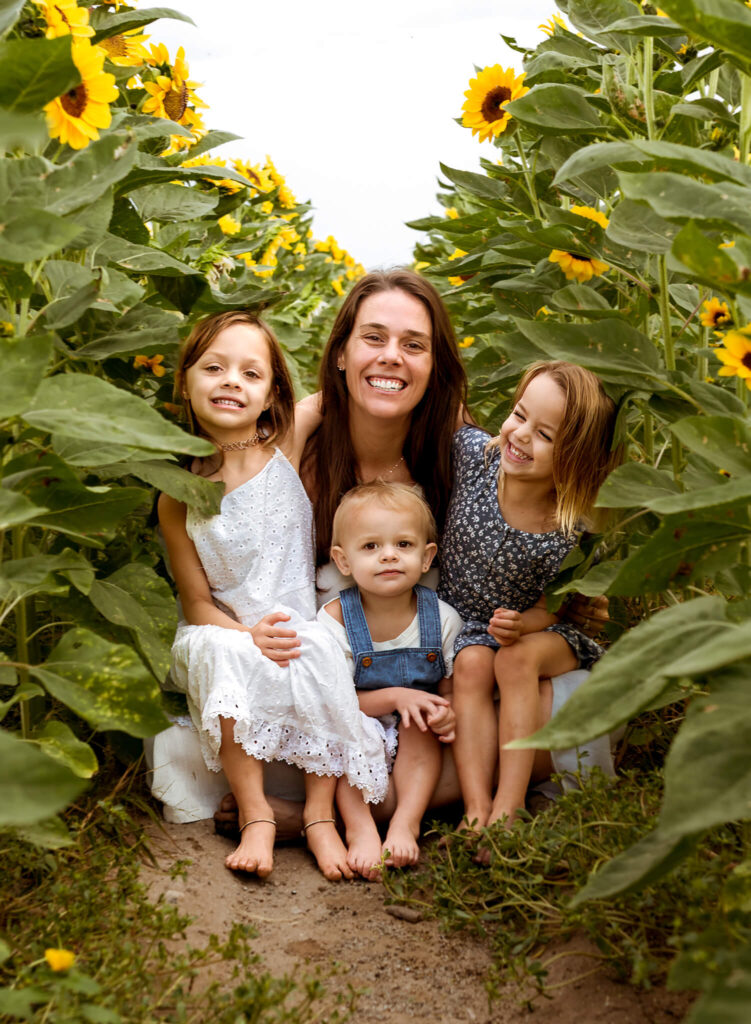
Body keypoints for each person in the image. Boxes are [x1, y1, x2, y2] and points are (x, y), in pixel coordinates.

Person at [157, 310, 389, 880]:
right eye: (214, 368)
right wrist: (247, 635)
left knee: (321, 648)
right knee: (221, 654)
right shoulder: (177, 494)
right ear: (186, 382)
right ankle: (258, 815)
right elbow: (196, 604)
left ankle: (317, 818)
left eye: (250, 373)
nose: (231, 381)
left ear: (272, 393)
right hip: (229, 629)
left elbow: (341, 390)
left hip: (294, 623)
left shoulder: (284, 446)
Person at [439, 361, 621, 849]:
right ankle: (476, 807)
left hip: (539, 633)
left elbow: (556, 609)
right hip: (472, 627)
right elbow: (443, 405)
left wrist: (522, 624)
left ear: (576, 459)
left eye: (545, 434)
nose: (520, 435)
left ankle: (510, 804)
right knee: (472, 666)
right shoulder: (473, 457)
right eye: (518, 414)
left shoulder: (571, 531)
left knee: (515, 661)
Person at [318, 482, 463, 879]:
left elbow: (448, 691)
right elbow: (337, 702)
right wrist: (398, 696)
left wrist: (444, 714)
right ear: (342, 561)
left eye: (403, 544)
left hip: (414, 731)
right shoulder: (334, 620)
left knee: (422, 722)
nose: (388, 556)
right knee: (346, 737)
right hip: (359, 722)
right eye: (370, 547)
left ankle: (406, 823)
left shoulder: (443, 619)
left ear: (426, 556)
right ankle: (360, 825)